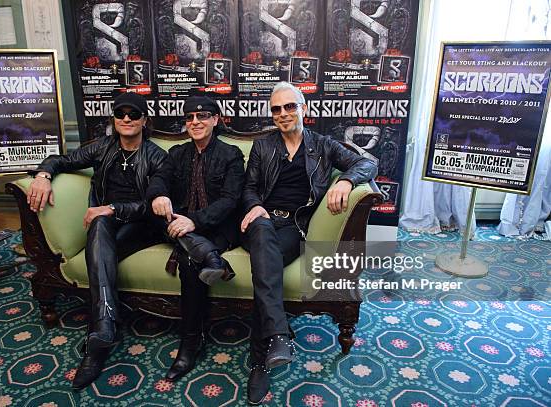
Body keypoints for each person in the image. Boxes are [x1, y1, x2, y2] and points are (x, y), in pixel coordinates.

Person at [240, 82, 378, 404]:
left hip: (292, 226)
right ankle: (275, 337)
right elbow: (248, 188)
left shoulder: (324, 145)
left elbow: (367, 163)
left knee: (266, 262)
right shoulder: (263, 147)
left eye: (290, 106)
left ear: (305, 109)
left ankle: (263, 357)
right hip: (259, 220)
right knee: (262, 236)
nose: (283, 114)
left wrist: (345, 179)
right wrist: (254, 205)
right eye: (277, 109)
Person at [27, 92, 167, 390]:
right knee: (100, 227)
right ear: (114, 120)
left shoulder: (157, 156)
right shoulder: (102, 148)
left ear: (144, 120)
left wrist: (112, 208)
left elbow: (153, 205)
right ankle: (104, 325)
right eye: (120, 114)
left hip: (142, 225)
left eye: (133, 114)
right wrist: (42, 175)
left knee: (100, 227)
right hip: (107, 223)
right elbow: (61, 160)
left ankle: (98, 337)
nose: (126, 119)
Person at [147, 96, 245, 381]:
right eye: (189, 117)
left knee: (190, 257)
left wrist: (195, 221)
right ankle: (211, 258)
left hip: (217, 227)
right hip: (180, 226)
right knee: (161, 219)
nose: (195, 122)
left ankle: (190, 342)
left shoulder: (231, 154)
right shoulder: (176, 153)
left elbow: (230, 200)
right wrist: (159, 194)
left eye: (202, 116)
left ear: (215, 120)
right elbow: (159, 179)